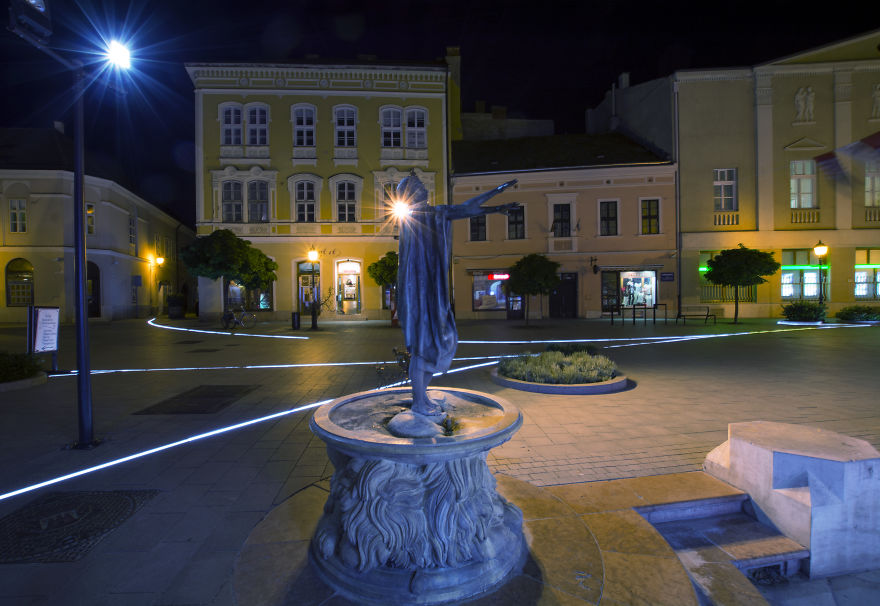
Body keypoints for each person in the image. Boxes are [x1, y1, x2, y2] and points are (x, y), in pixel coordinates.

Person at [396, 174, 518, 417]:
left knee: (433, 343)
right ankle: (419, 401)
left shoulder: (431, 214)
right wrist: (494, 202)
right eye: (418, 187)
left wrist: (496, 199)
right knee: (423, 345)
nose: (424, 189)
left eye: (423, 186)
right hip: (420, 291)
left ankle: (421, 397)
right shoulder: (417, 216)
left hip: (430, 288)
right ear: (410, 193)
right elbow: (463, 210)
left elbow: (465, 209)